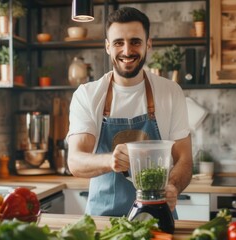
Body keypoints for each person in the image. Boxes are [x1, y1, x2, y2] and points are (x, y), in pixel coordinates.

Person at [67, 6, 192, 217]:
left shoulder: (170, 92)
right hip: (103, 221)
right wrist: (110, 161)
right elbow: (75, 161)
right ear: (108, 47)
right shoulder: (87, 95)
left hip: (157, 219)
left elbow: (185, 160)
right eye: (118, 42)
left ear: (148, 44)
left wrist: (173, 187)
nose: (126, 51)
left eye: (135, 41)